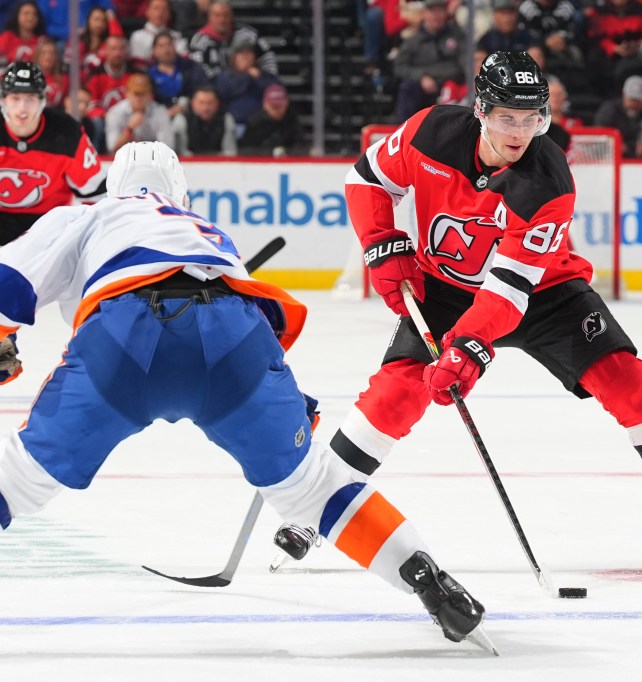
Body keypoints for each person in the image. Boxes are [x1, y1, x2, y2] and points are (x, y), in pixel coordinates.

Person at [0, 140, 495, 654]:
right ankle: (429, 579)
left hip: (124, 338)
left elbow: (10, 279)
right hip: (235, 341)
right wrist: (284, 400)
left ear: (113, 187)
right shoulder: (205, 231)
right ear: (181, 193)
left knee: (18, 479)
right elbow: (254, 322)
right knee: (310, 487)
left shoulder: (89, 215)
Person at [308, 51, 642, 572]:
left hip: (545, 292)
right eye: (507, 118)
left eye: (531, 118)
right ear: (481, 111)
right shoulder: (430, 132)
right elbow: (366, 179)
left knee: (632, 385)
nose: (519, 132)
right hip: (447, 288)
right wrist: (381, 243)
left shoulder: (548, 181)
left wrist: (466, 346)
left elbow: (510, 291)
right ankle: (316, 506)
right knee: (395, 394)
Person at [0, 62, 105, 245]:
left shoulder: (67, 132)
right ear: (3, 100)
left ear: (42, 101)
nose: (22, 108)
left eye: (30, 99)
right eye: (15, 98)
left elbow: (97, 195)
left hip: (49, 230)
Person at [594, 74, 642, 158]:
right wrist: (613, 144)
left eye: (638, 100)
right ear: (624, 95)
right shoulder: (609, 110)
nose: (634, 104)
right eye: (631, 99)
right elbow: (600, 132)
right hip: (611, 157)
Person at [104, 72, 174, 154]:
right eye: (136, 94)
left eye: (143, 94)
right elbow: (112, 149)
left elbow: (167, 147)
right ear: (127, 94)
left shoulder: (159, 112)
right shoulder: (116, 112)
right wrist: (129, 130)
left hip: (152, 157)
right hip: (125, 157)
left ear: (150, 95)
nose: (139, 98)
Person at [238, 83, 303, 157]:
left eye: (280, 106)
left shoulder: (291, 121)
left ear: (286, 104)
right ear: (265, 105)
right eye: (274, 106)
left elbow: (299, 146)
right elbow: (247, 150)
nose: (277, 110)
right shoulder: (255, 123)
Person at [173, 84, 237, 156]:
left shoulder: (226, 120)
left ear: (217, 104)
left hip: (219, 161)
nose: (205, 108)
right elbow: (180, 152)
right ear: (193, 104)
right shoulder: (181, 120)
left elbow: (230, 152)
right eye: (201, 103)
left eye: (210, 103)